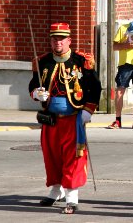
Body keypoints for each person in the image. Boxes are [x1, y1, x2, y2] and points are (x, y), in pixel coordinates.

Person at [28, 22, 102, 214]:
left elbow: (94, 87)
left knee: (73, 157)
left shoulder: (81, 60)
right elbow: (33, 84)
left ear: (69, 40)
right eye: (54, 39)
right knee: (51, 156)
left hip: (73, 118)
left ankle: (72, 197)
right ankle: (56, 190)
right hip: (50, 119)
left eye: (61, 39)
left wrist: (88, 110)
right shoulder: (43, 61)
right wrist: (37, 93)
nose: (57, 42)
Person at [107, 8, 133, 129]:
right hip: (125, 64)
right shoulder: (124, 28)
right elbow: (114, 46)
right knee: (120, 90)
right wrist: (126, 45)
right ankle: (118, 120)